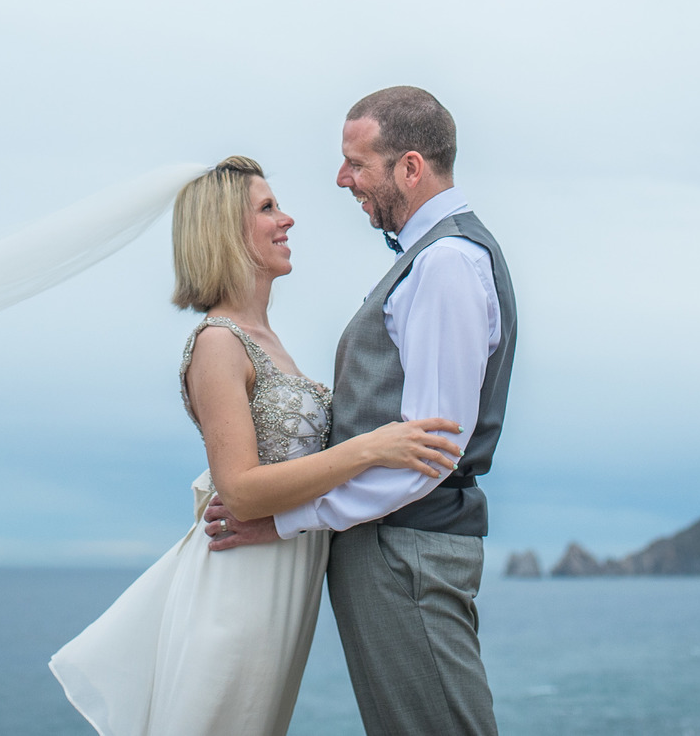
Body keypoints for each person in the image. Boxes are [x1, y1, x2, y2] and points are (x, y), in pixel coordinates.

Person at [49, 156, 464, 736]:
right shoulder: (219, 343)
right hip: (237, 590)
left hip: (280, 581)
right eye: (268, 209)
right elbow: (240, 490)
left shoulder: (269, 342)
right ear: (224, 232)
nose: (287, 220)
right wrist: (371, 448)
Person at [202, 87, 517, 736]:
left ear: (409, 166)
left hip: (405, 554)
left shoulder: (447, 264)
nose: (342, 178)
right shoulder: (432, 261)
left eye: (356, 162)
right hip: (393, 548)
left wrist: (289, 519)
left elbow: (427, 452)